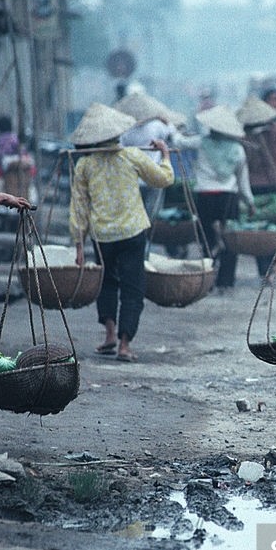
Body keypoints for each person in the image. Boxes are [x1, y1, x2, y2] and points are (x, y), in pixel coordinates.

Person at [68, 102, 174, 361]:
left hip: (103, 235)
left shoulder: (85, 165)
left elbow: (79, 207)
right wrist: (165, 155)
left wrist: (79, 244)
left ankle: (110, 335)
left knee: (107, 284)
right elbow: (163, 179)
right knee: (132, 287)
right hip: (132, 231)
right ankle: (124, 345)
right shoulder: (131, 156)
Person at [170, 105, 254, 291]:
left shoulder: (200, 142)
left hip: (205, 197)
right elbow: (242, 179)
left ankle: (208, 280)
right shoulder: (237, 149)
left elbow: (178, 142)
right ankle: (226, 281)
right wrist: (249, 202)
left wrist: (172, 128)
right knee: (229, 239)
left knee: (207, 238)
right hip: (228, 198)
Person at [237, 95, 276, 279]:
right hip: (275, 183)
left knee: (259, 229)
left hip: (254, 187)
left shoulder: (245, 136)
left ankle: (266, 269)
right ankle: (275, 266)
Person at [115, 92, 182, 221]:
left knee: (135, 209)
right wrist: (166, 121)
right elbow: (173, 134)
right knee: (152, 210)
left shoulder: (126, 130)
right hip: (153, 173)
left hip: (133, 176)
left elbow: (119, 146)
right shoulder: (156, 126)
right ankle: (149, 233)